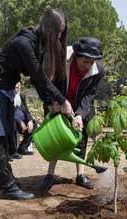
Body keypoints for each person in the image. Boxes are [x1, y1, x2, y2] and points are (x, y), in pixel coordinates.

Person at [0, 8, 73, 200]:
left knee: (5, 136)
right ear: (49, 28)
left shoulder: (37, 44)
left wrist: (50, 103)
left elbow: (36, 79)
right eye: (58, 31)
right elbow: (40, 77)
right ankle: (8, 187)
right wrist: (63, 101)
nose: (58, 36)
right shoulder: (24, 43)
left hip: (6, 88)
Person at [41, 36, 106, 191]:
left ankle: (80, 175)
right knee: (55, 138)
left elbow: (89, 95)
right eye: (85, 61)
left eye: (92, 62)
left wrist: (79, 115)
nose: (88, 65)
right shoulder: (60, 60)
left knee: (81, 137)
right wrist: (53, 103)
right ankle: (50, 174)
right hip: (57, 102)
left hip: (80, 105)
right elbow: (46, 83)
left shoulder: (98, 71)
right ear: (76, 55)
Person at [13, 82, 37, 156]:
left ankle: (22, 147)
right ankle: (13, 151)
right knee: (12, 125)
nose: (18, 89)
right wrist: (20, 122)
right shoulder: (9, 97)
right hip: (14, 121)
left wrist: (30, 120)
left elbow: (26, 110)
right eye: (16, 88)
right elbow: (10, 113)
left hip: (23, 121)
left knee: (34, 123)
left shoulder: (21, 96)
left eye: (19, 87)